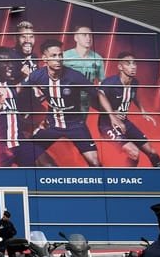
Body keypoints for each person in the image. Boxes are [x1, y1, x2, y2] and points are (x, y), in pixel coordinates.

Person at [23, 39, 103, 167]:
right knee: (27, 152)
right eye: (54, 56)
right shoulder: (37, 76)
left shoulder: (74, 76)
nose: (58, 59)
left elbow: (98, 94)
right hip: (52, 125)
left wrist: (111, 115)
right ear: (45, 59)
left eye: (60, 55)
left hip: (76, 125)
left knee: (95, 162)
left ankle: (102, 185)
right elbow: (20, 92)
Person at [97, 52, 160, 167]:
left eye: (134, 63)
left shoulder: (134, 83)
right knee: (134, 153)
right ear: (120, 67)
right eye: (128, 64)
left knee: (152, 153)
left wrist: (143, 111)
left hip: (125, 123)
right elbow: (99, 95)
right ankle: (125, 182)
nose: (133, 66)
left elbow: (134, 96)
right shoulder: (110, 83)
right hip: (107, 125)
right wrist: (112, 115)